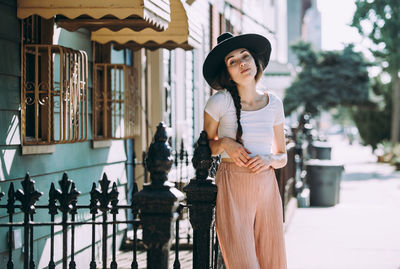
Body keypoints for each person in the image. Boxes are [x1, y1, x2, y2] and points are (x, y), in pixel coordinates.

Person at [203, 32, 288, 269]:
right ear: (227, 72)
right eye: (232, 61)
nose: (242, 63)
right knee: (243, 264)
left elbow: (283, 156)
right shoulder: (219, 102)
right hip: (232, 185)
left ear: (255, 61)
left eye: (245, 56)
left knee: (272, 262)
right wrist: (226, 143)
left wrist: (269, 159)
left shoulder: (274, 103)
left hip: (266, 188)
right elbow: (204, 148)